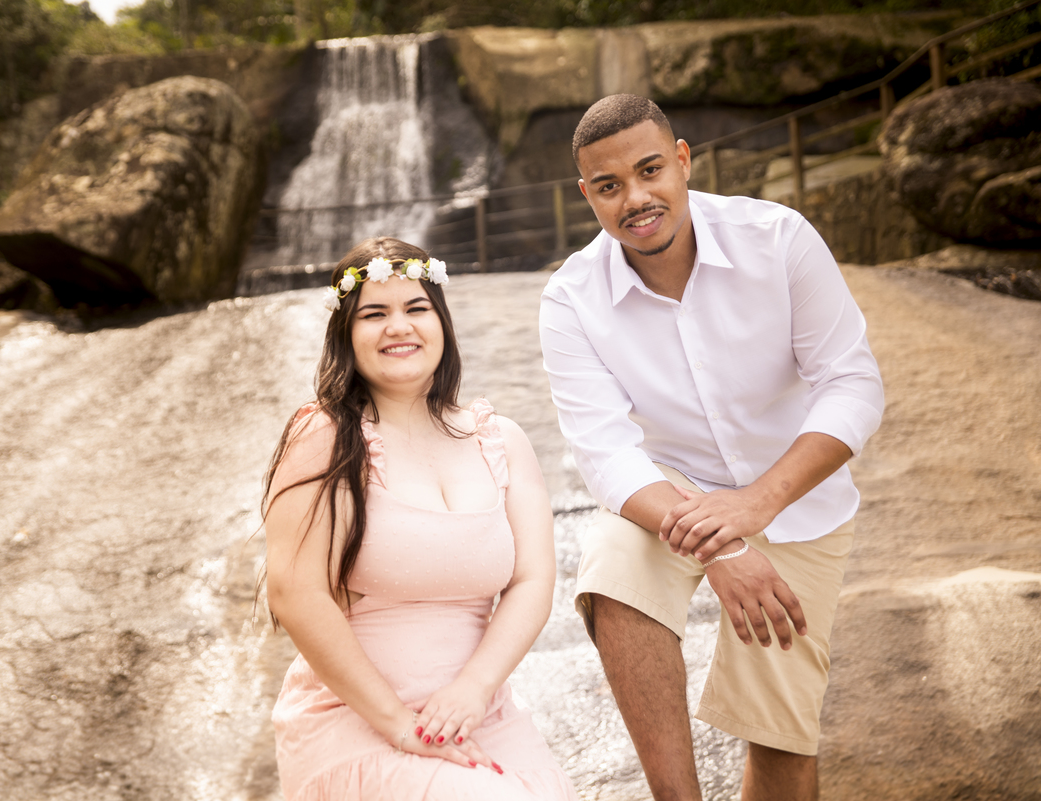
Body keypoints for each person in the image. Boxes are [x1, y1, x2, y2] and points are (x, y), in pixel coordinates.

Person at [539, 95, 884, 800]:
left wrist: (757, 504)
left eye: (650, 171)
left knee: (780, 736)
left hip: (796, 498)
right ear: (587, 194)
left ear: (683, 160)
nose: (636, 199)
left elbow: (852, 385)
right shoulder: (571, 298)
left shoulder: (778, 238)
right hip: (676, 488)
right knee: (613, 572)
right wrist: (722, 547)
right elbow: (605, 454)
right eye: (609, 186)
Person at [264, 236, 578, 801]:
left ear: (442, 322)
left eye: (416, 308)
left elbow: (533, 579)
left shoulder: (501, 439)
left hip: (478, 712)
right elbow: (294, 592)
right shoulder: (326, 436)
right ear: (346, 333)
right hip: (356, 718)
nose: (398, 326)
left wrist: (475, 689)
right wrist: (399, 725)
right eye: (374, 314)